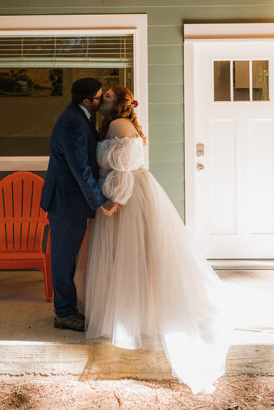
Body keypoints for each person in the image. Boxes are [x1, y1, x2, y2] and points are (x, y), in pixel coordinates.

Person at [84, 85, 231, 394]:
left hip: (127, 195)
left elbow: (123, 167)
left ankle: (134, 318)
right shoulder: (116, 125)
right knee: (138, 258)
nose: (103, 100)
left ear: (120, 103)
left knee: (131, 257)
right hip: (130, 190)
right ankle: (136, 315)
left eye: (108, 96)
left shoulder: (116, 125)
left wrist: (117, 200)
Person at [40, 77, 119, 332]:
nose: (100, 101)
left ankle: (68, 307)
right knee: (63, 260)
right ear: (87, 101)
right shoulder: (74, 122)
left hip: (71, 201)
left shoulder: (81, 115)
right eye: (98, 97)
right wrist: (100, 201)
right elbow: (80, 168)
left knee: (68, 259)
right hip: (65, 202)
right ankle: (63, 313)